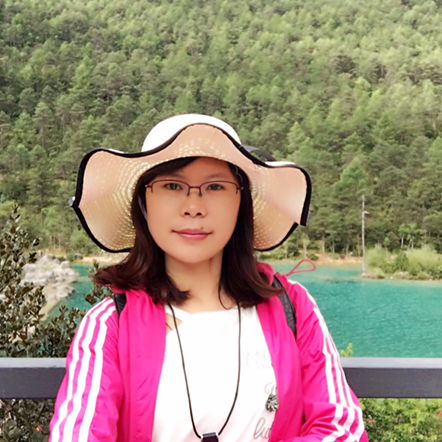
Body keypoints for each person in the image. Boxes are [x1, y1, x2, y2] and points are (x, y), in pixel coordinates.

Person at [49, 114, 368, 442]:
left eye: (215, 187)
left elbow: (343, 429)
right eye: (172, 186)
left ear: (240, 202)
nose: (193, 207)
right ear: (144, 203)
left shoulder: (292, 306)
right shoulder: (111, 324)